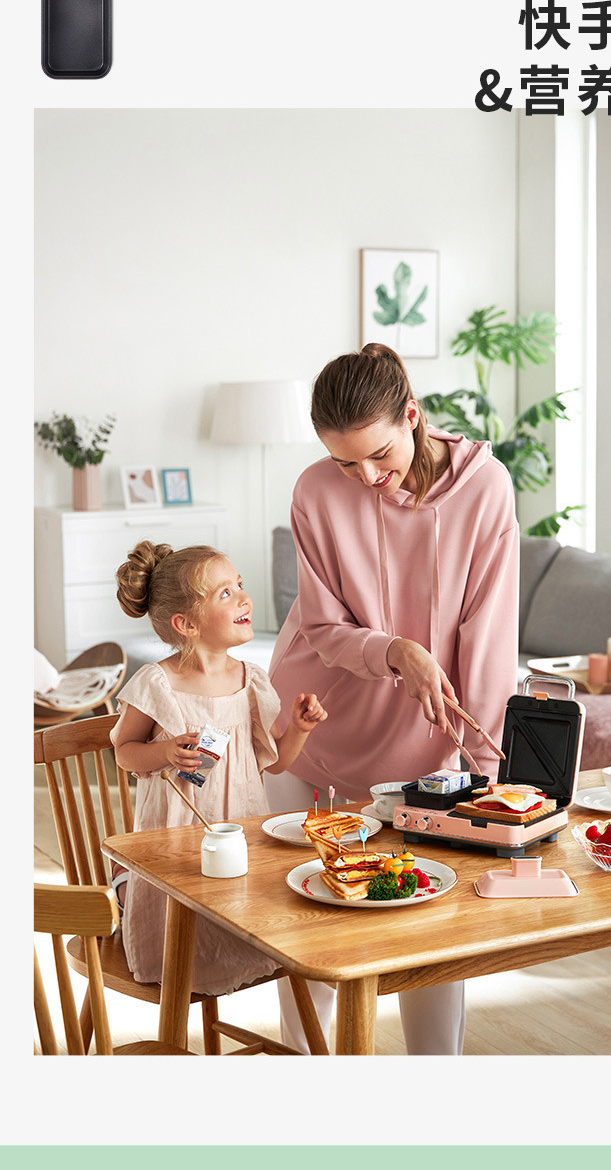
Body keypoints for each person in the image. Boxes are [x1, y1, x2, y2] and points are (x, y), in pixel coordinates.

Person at [266, 342, 520, 1055]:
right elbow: (321, 626)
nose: (366, 477)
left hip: (424, 745)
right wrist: (398, 650)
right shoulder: (317, 490)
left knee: (430, 931)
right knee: (309, 930)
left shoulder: (485, 488)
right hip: (310, 732)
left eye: (379, 455)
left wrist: (487, 772)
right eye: (346, 462)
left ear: (412, 414)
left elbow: (490, 637)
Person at [111, 541, 327, 999]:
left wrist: (301, 729)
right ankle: (138, 907)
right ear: (186, 624)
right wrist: (165, 752)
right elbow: (124, 752)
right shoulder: (158, 683)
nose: (244, 598)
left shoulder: (251, 680)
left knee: (237, 916)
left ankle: (228, 958)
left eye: (240, 586)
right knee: (184, 915)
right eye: (225, 593)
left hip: (238, 831)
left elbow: (275, 762)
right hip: (177, 835)